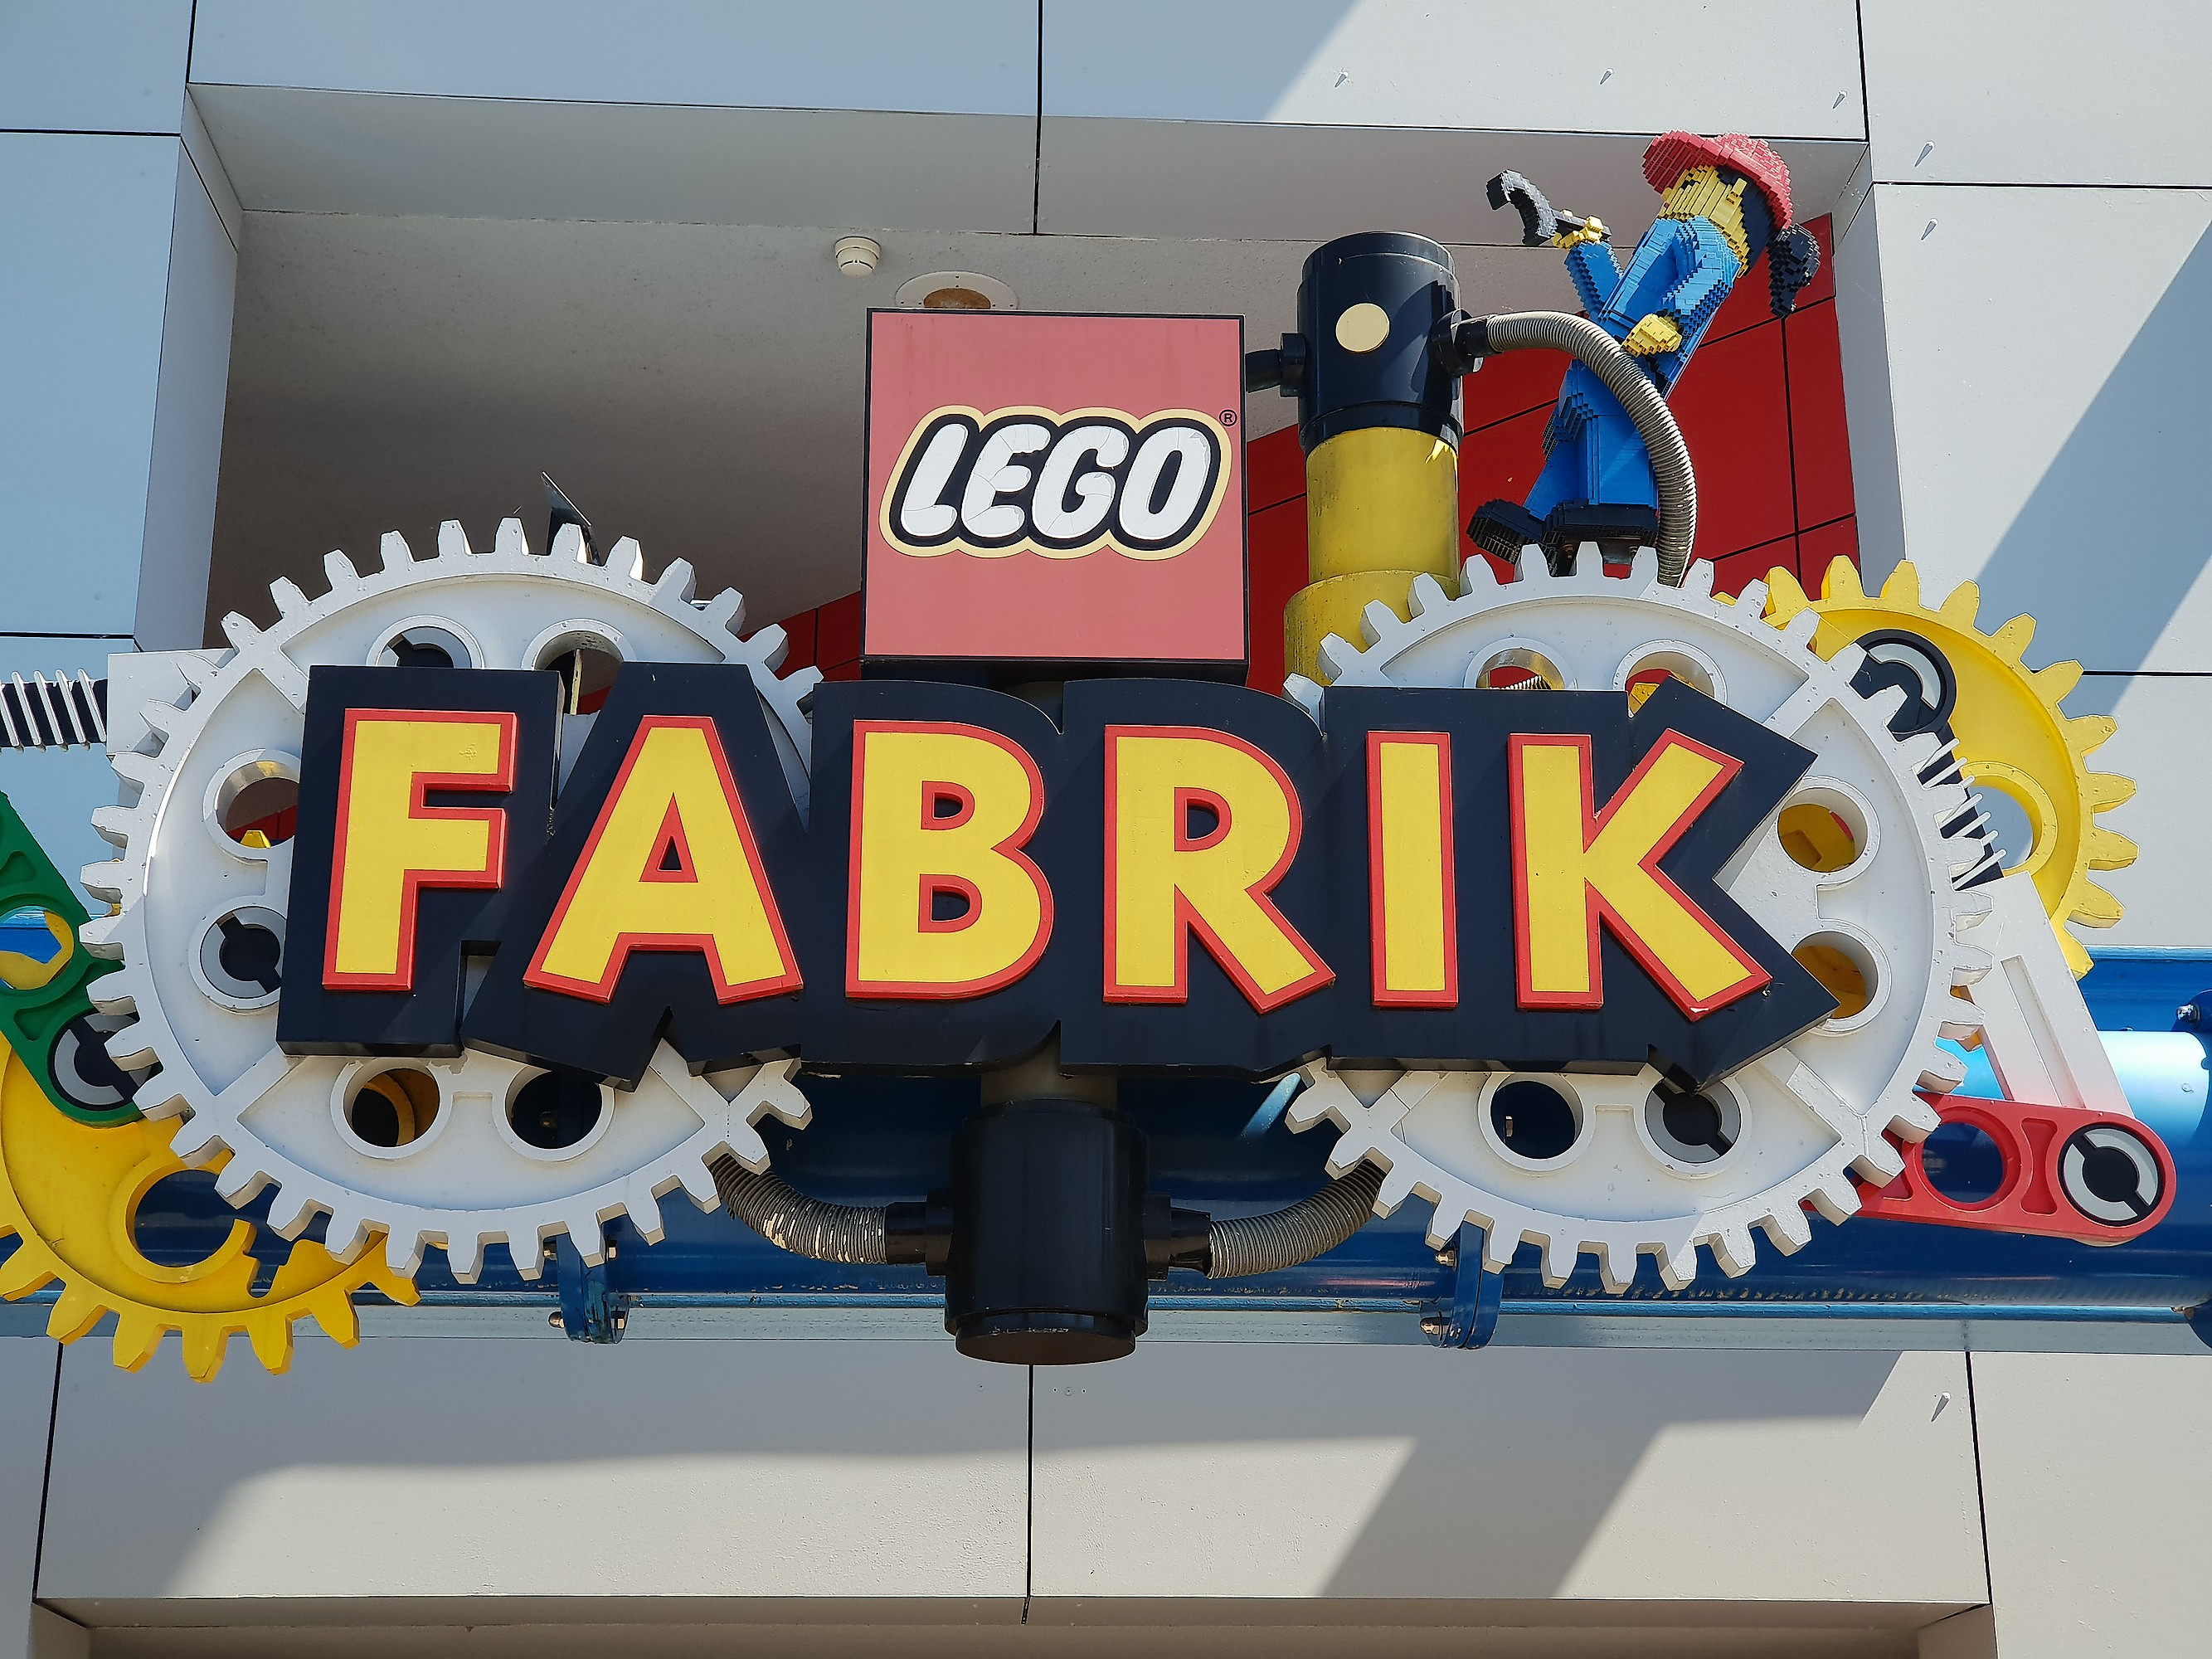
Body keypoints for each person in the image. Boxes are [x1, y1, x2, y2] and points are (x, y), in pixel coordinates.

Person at [1467, 131, 1821, 569]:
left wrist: (1673, 319)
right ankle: (1539, 520)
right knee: (1571, 436)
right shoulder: (1667, 233)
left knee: (1611, 425)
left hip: (1633, 364)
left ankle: (1618, 508)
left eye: (1692, 179)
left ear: (1730, 195)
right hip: (1602, 351)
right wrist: (1585, 246)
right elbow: (1613, 301)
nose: (1678, 187)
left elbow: (1709, 279)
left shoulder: (1708, 239)